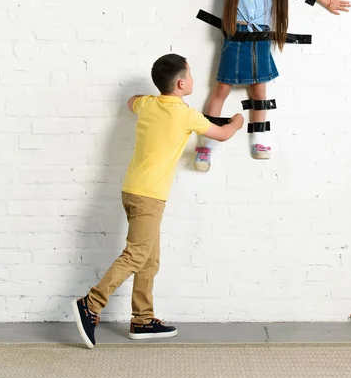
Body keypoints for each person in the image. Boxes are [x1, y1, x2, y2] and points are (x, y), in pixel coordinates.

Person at [139, 0, 351, 168]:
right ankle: (206, 145)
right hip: (235, 36)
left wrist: (326, 1)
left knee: (260, 90)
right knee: (220, 90)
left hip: (259, 39)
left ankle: (259, 137)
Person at [72, 53, 244, 348]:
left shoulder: (148, 104)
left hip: (133, 190)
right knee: (137, 255)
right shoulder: (186, 115)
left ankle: (143, 320)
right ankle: (91, 303)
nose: (192, 78)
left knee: (149, 259)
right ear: (180, 83)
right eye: (189, 74)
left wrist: (150, 97)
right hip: (149, 196)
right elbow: (223, 134)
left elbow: (131, 101)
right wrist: (239, 120)